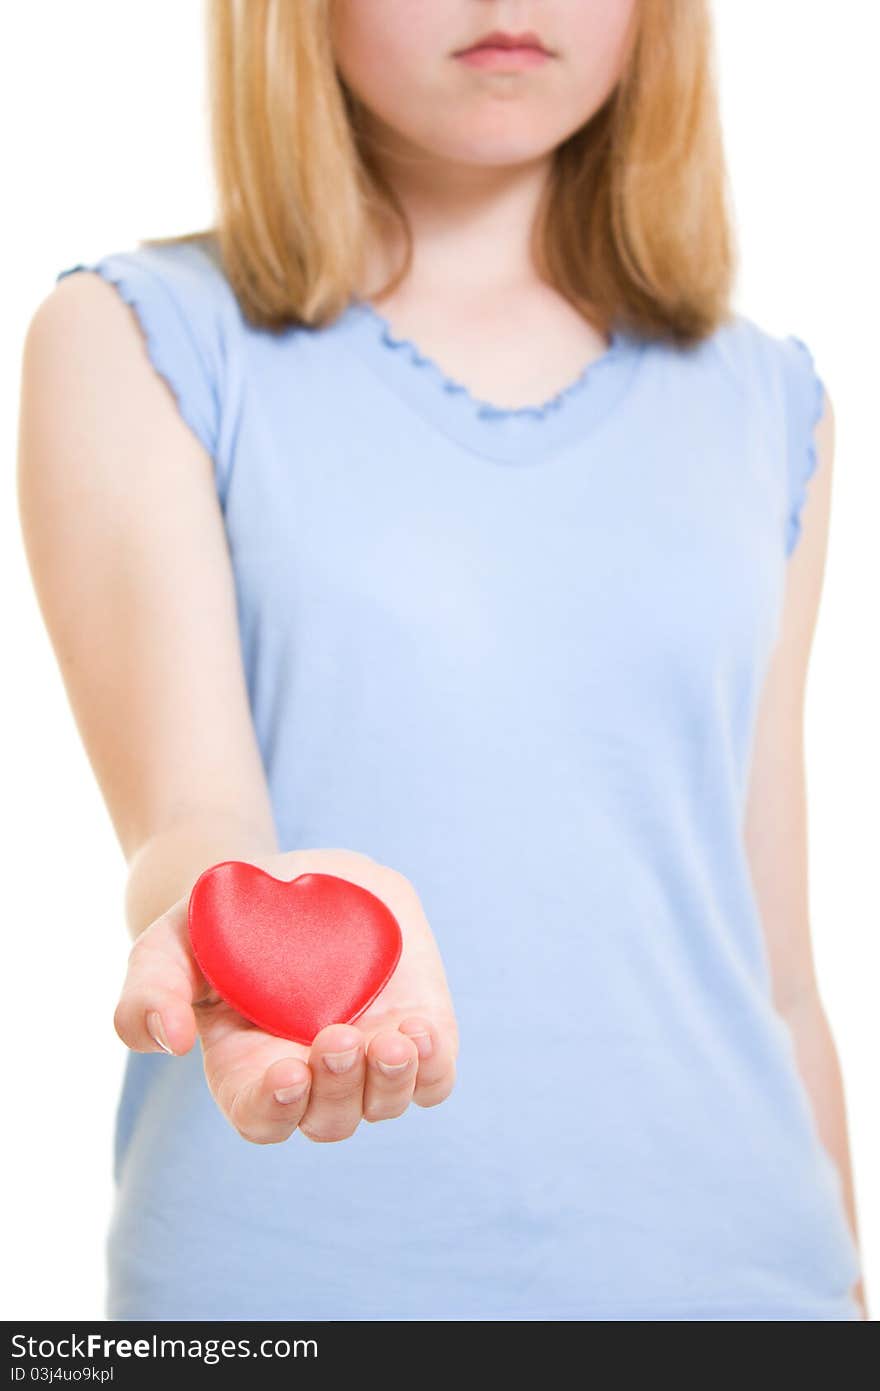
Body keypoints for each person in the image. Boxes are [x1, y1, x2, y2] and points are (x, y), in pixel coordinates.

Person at [17, 0, 866, 1321]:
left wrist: (847, 1281)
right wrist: (268, 904)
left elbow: (779, 959)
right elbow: (192, 822)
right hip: (287, 1288)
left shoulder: (770, 400)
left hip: (746, 1280)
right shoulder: (140, 336)